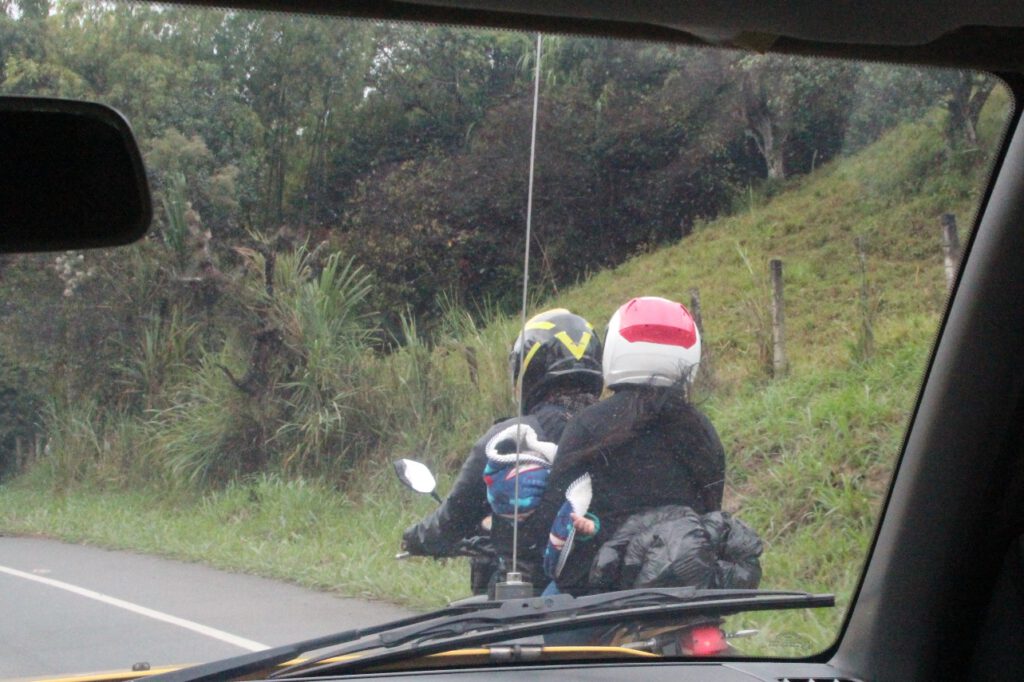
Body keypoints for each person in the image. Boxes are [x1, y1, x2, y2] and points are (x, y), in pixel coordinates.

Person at [401, 308, 604, 592]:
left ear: (528, 369)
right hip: (608, 597)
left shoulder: (509, 439)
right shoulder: (622, 430)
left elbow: (454, 518)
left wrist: (415, 538)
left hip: (523, 601)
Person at [537, 296, 728, 595]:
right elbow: (711, 509)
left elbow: (553, 519)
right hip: (687, 590)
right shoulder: (702, 429)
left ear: (615, 348)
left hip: (599, 596)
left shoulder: (588, 424)